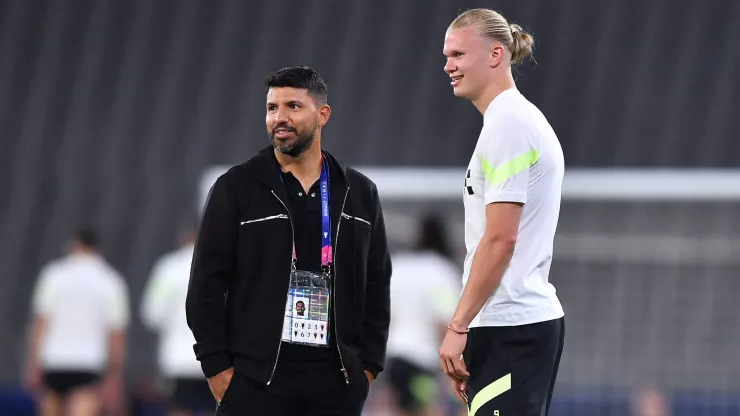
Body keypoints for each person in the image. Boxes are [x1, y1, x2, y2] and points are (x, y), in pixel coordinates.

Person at [185, 65, 393, 416]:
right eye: (272, 108)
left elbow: (377, 283)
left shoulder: (358, 192)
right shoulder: (236, 188)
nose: (279, 117)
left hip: (335, 383)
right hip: (256, 382)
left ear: (322, 114)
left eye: (293, 106)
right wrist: (218, 369)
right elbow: (205, 284)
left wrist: (368, 368)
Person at [438, 8, 566, 416]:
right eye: (446, 56)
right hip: (508, 326)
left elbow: (500, 239)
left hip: (512, 325)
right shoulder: (508, 120)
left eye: (458, 54)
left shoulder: (509, 125)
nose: (448, 66)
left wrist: (458, 327)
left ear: (496, 55)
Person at [25, 228, 129, 416]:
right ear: (97, 249)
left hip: (54, 359)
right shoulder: (111, 281)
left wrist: (33, 363)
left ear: (74, 245)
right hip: (89, 361)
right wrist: (114, 377)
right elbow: (116, 335)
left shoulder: (53, 275)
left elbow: (41, 323)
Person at [385, 214, 461, 416]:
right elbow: (445, 323)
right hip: (422, 360)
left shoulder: (398, 266)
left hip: (394, 356)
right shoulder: (441, 271)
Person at [141, 224, 212, 416]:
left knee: (178, 408)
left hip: (177, 357)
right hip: (215, 356)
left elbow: (152, 315)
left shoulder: (167, 268)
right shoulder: (224, 265)